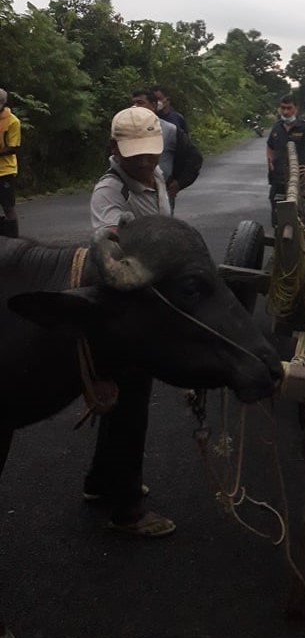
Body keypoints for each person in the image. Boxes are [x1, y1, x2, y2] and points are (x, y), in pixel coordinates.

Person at [84, 105, 175, 537]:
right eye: (134, 154)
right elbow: (110, 248)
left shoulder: (156, 176)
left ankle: (101, 481)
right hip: (122, 307)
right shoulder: (110, 190)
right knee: (131, 403)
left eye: (150, 152)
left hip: (149, 297)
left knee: (125, 398)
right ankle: (127, 511)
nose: (144, 161)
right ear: (115, 148)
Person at [132, 89, 202, 213]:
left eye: (140, 103)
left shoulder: (170, 130)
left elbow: (194, 157)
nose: (135, 107)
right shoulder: (125, 130)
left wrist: (179, 183)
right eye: (133, 103)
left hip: (162, 193)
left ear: (153, 106)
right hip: (133, 192)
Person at [266, 94, 305, 217]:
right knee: (276, 213)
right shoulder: (277, 127)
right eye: (283, 108)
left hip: (298, 180)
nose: (285, 112)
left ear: (296, 109)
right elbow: (270, 146)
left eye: (289, 108)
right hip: (278, 179)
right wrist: (270, 162)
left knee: (297, 214)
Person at [0, 88, 22, 237]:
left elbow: (13, 147)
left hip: (5, 170)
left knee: (8, 207)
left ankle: (14, 240)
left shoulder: (13, 121)